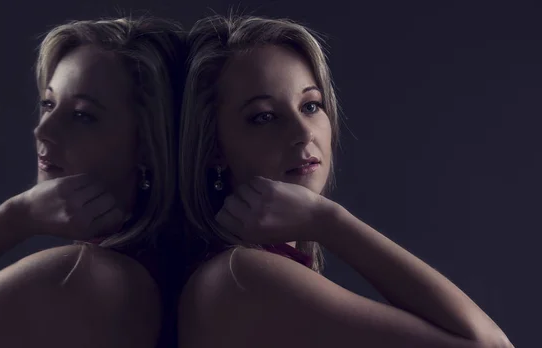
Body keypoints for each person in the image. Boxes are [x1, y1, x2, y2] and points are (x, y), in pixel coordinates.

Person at [177, 14, 513, 348]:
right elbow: (489, 345)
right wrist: (328, 221)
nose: (303, 132)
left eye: (311, 105)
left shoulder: (251, 273)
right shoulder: (243, 277)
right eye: (264, 116)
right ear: (213, 149)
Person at [0, 16, 185, 348]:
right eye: (48, 104)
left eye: (82, 115)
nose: (43, 130)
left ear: (149, 144)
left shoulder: (81, 277)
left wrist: (13, 219)